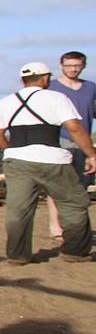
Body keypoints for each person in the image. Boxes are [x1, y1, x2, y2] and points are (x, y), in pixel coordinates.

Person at [0, 62, 96, 264]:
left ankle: (18, 255)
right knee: (73, 204)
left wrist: (10, 151)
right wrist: (91, 154)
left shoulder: (6, 101)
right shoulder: (56, 98)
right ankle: (74, 251)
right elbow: (74, 128)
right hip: (53, 159)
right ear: (46, 78)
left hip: (17, 160)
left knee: (18, 209)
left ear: (22, 80)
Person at [47, 51, 96, 241]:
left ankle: (74, 226)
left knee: (80, 185)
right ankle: (55, 224)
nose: (73, 69)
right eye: (69, 65)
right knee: (57, 185)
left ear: (83, 65)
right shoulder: (51, 87)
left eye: (76, 65)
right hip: (58, 139)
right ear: (61, 65)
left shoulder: (90, 87)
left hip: (83, 140)